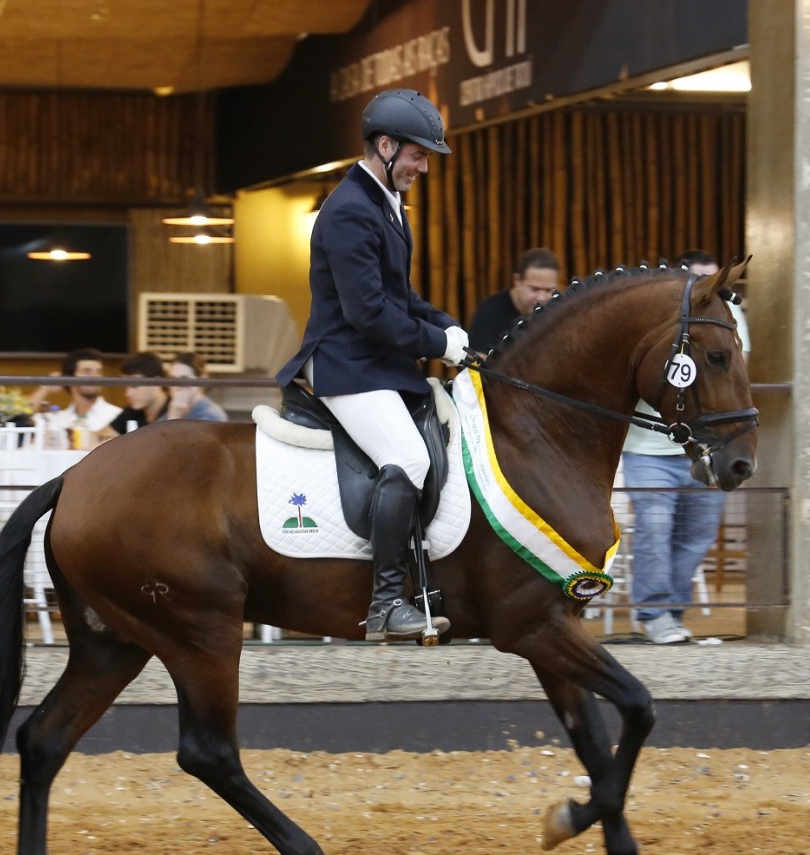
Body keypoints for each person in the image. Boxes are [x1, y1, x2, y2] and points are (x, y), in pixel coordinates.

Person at [275, 88, 469, 643]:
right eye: (418, 155)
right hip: (345, 362)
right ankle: (386, 602)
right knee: (406, 457)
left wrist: (449, 328)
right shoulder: (349, 211)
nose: (423, 166)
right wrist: (435, 341)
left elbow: (399, 295)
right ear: (386, 146)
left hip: (373, 361)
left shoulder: (384, 202)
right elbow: (367, 313)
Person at [619, 251, 745, 644]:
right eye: (700, 280)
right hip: (647, 446)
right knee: (655, 529)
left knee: (698, 533)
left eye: (714, 281)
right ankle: (656, 613)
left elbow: (732, 375)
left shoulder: (728, 317)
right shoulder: (655, 315)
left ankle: (672, 613)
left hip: (706, 444)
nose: (709, 289)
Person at [468, 248, 561, 353]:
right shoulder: (489, 312)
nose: (541, 297)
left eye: (548, 290)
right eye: (534, 289)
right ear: (517, 281)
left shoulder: (559, 312)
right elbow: (477, 360)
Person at [26, 347, 122, 433]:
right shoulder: (57, 419)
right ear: (70, 378)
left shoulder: (117, 416)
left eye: (99, 372)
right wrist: (45, 387)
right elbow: (22, 417)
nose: (95, 377)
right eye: (86, 371)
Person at [98, 351, 173, 439]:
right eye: (126, 386)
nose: (128, 393)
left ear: (156, 382)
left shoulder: (176, 410)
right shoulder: (133, 412)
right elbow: (100, 438)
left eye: (134, 386)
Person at [165, 352, 228, 422]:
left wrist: (174, 417)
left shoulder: (212, 416)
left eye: (184, 379)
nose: (177, 387)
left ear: (202, 379)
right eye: (172, 379)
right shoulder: (171, 410)